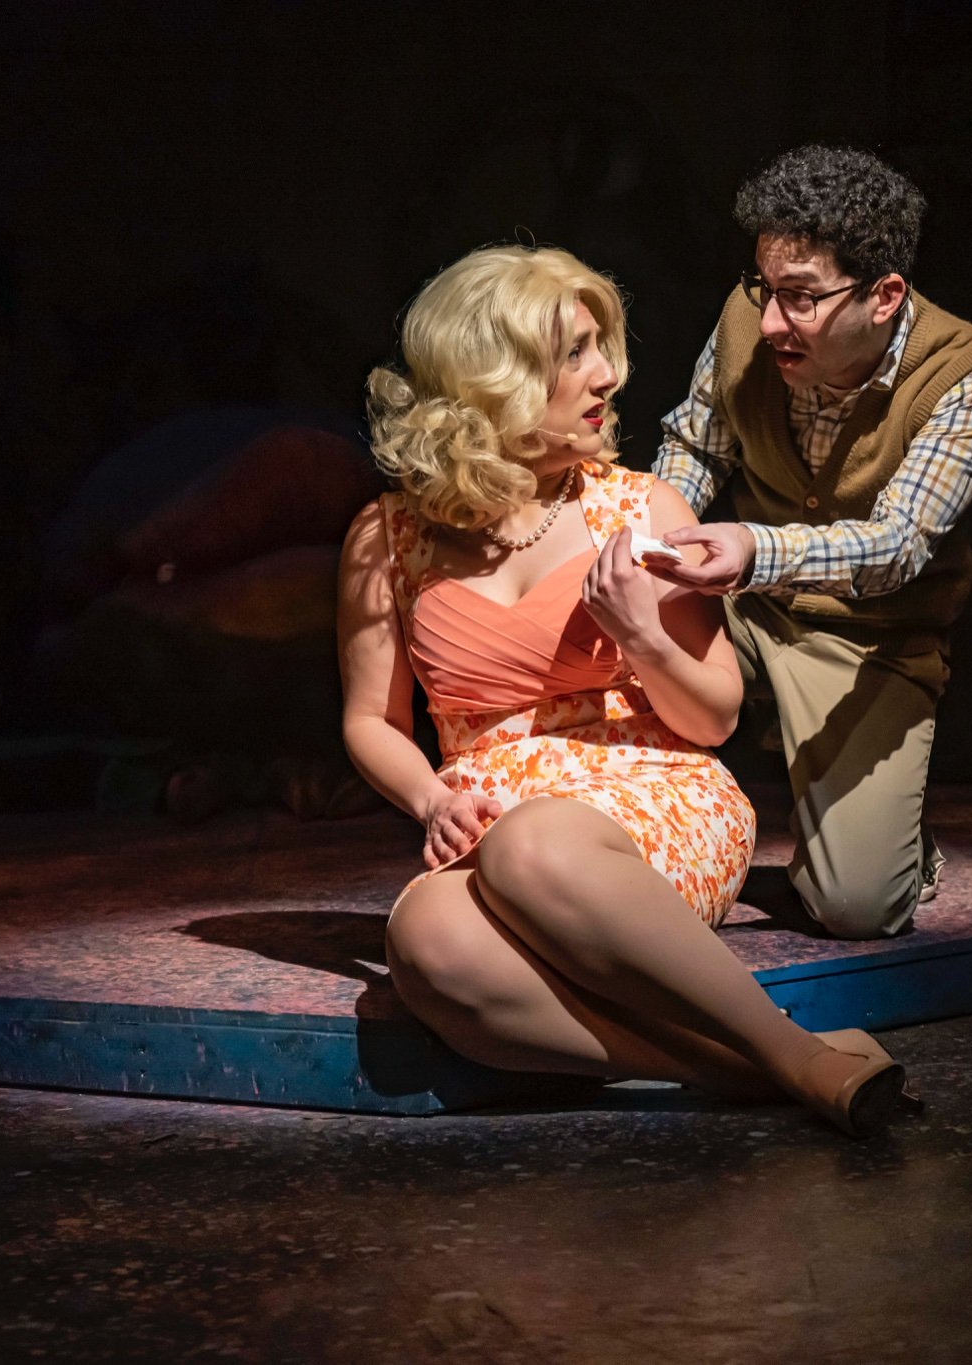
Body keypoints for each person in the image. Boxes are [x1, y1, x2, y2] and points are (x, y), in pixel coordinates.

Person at [337, 244, 917, 1136]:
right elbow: (371, 719)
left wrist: (642, 632)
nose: (607, 373)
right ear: (494, 380)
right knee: (425, 945)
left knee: (533, 850)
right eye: (572, 353)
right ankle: (764, 1066)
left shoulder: (643, 509)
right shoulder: (385, 536)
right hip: (487, 818)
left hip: (650, 794)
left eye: (601, 346)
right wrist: (428, 796)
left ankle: (785, 1048)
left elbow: (715, 715)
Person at [652, 145, 972, 940]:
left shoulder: (970, 373)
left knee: (856, 907)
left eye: (801, 298)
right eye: (764, 288)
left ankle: (895, 842)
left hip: (868, 635)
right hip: (740, 603)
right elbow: (696, 445)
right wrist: (646, 539)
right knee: (616, 631)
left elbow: (897, 546)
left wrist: (758, 548)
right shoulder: (747, 317)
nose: (771, 319)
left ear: (885, 295)